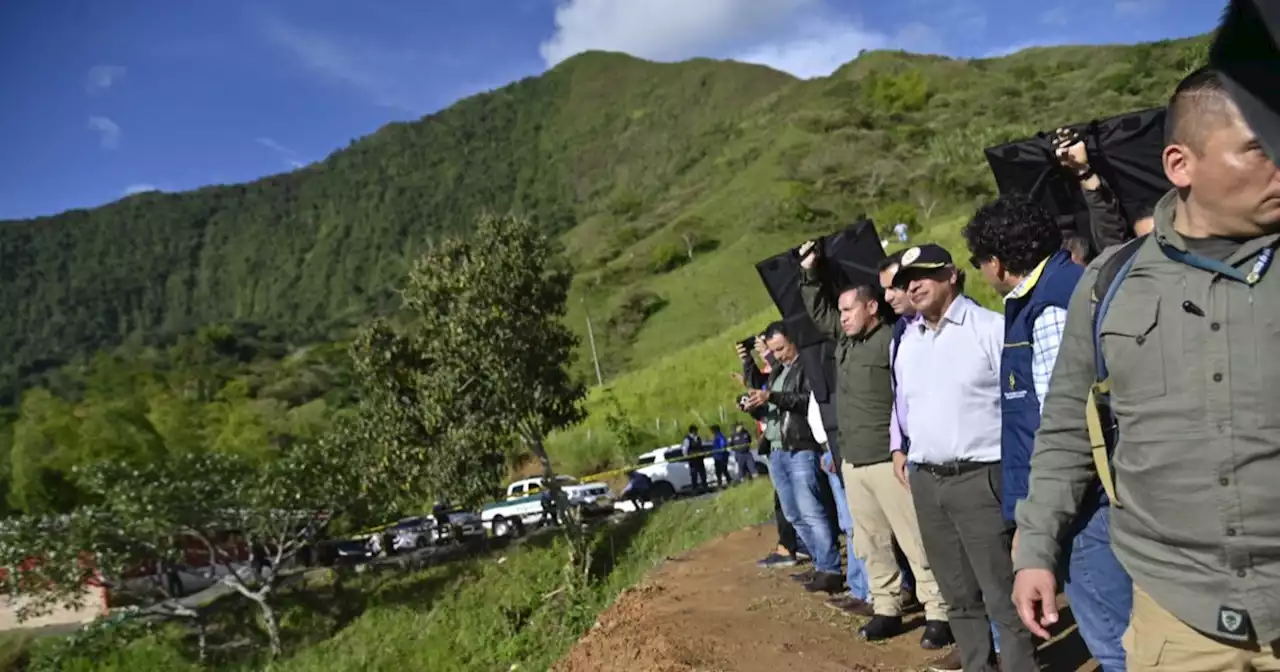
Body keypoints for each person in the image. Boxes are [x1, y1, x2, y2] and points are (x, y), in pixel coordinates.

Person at [1014, 68, 1280, 672]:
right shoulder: (1108, 285)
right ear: (1181, 165)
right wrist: (1035, 549)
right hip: (1177, 616)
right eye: (1262, 149)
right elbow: (1063, 433)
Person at [963, 196, 1134, 671]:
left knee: (1114, 639)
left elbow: (1064, 425)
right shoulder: (1059, 291)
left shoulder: (1053, 308)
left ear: (995, 263)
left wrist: (1038, 522)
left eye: (980, 262)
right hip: (1086, 498)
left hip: (1084, 505)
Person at [892, 244, 1038, 672]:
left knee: (1001, 594)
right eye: (904, 281)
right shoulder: (908, 344)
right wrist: (904, 450)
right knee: (957, 596)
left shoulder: (991, 329)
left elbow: (1019, 408)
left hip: (980, 478)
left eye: (922, 275)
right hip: (927, 482)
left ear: (952, 275)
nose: (912, 285)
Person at [799, 241, 953, 649]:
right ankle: (886, 606)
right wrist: (811, 270)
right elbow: (818, 312)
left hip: (890, 460)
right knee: (871, 543)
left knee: (914, 538)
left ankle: (939, 610)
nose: (842, 317)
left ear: (871, 308)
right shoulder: (844, 342)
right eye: (842, 311)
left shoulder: (892, 339)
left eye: (849, 310)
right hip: (854, 462)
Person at [742, 322, 845, 593]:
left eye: (781, 348)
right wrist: (756, 404)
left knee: (811, 511)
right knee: (793, 513)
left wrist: (772, 396)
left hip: (800, 446)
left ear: (794, 342)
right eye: (773, 350)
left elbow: (806, 401)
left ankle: (831, 568)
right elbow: (771, 404)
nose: (777, 355)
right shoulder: (778, 369)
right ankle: (819, 562)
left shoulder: (806, 367)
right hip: (776, 448)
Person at [806, 391, 872, 610]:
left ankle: (870, 591)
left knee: (856, 525)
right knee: (849, 526)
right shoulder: (818, 371)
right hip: (828, 449)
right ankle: (859, 588)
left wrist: (836, 450)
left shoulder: (826, 368)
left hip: (839, 448)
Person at [1054, 126, 1157, 259]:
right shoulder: (1131, 272)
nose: (1157, 253)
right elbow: (1111, 239)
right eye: (1148, 246)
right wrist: (1083, 172)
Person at [681, 425, 709, 493]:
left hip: (700, 459)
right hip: (693, 461)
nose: (697, 432)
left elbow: (701, 447)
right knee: (694, 475)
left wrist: (704, 453)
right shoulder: (687, 439)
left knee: (703, 475)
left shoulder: (698, 438)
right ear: (692, 431)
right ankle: (695, 490)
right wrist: (687, 457)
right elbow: (685, 449)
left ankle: (705, 488)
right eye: (695, 430)